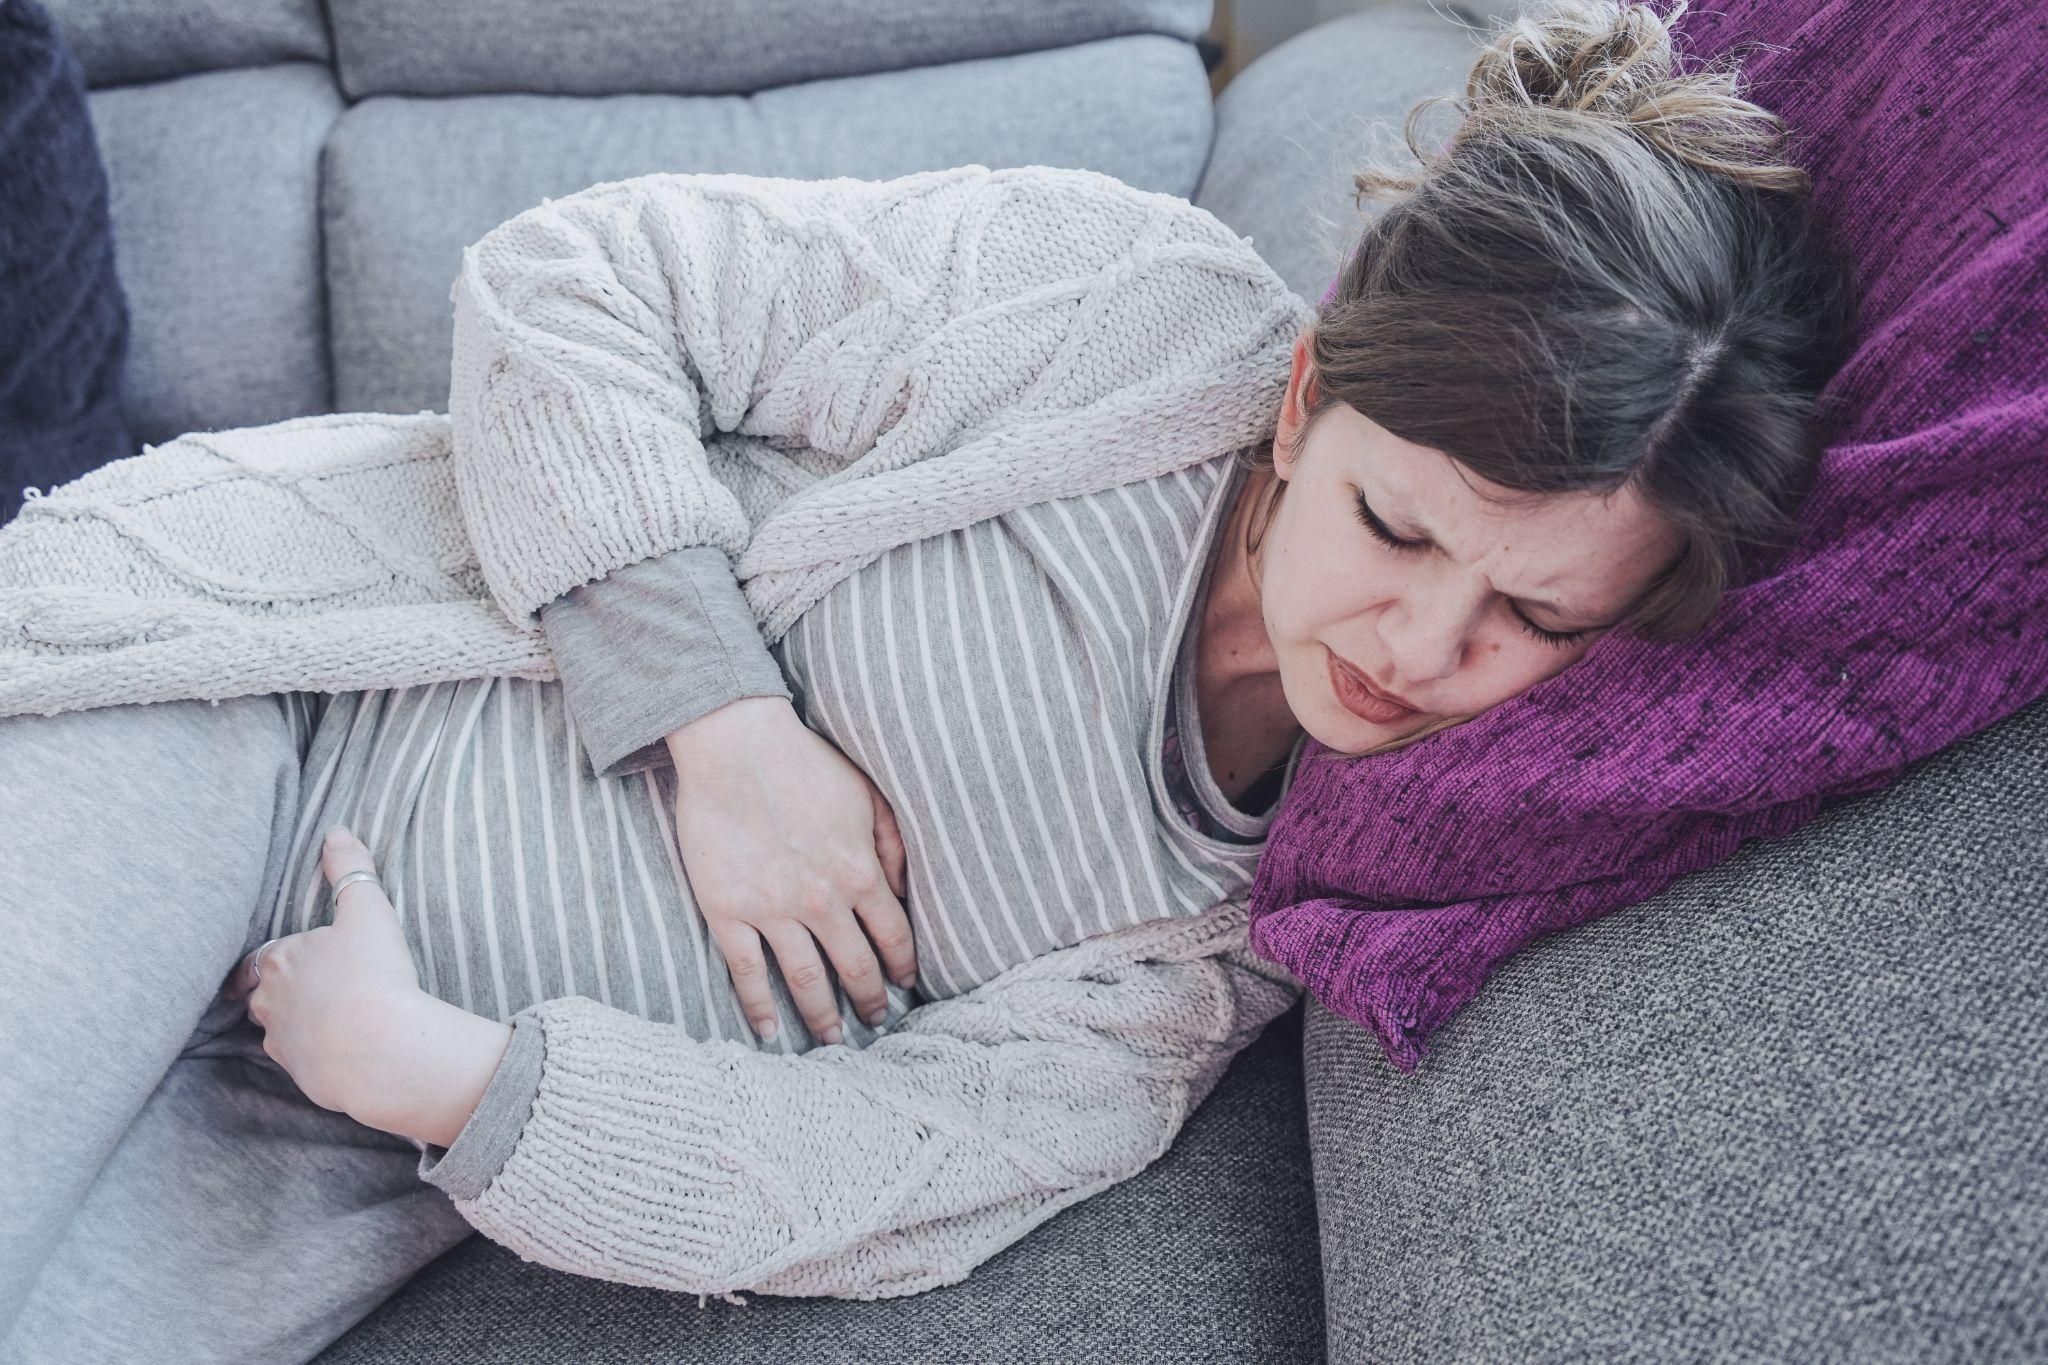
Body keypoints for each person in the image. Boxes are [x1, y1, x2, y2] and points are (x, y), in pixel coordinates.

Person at [0, 2, 1857, 1359]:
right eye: (1395, 523)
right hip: (257, 702)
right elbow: (581, 282)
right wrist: (722, 728)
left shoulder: (1266, 921)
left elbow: (890, 1167)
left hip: (325, 1118)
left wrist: (433, 1072)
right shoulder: (1120, 312)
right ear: (1309, 401)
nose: (1422, 653)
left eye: (1537, 621)